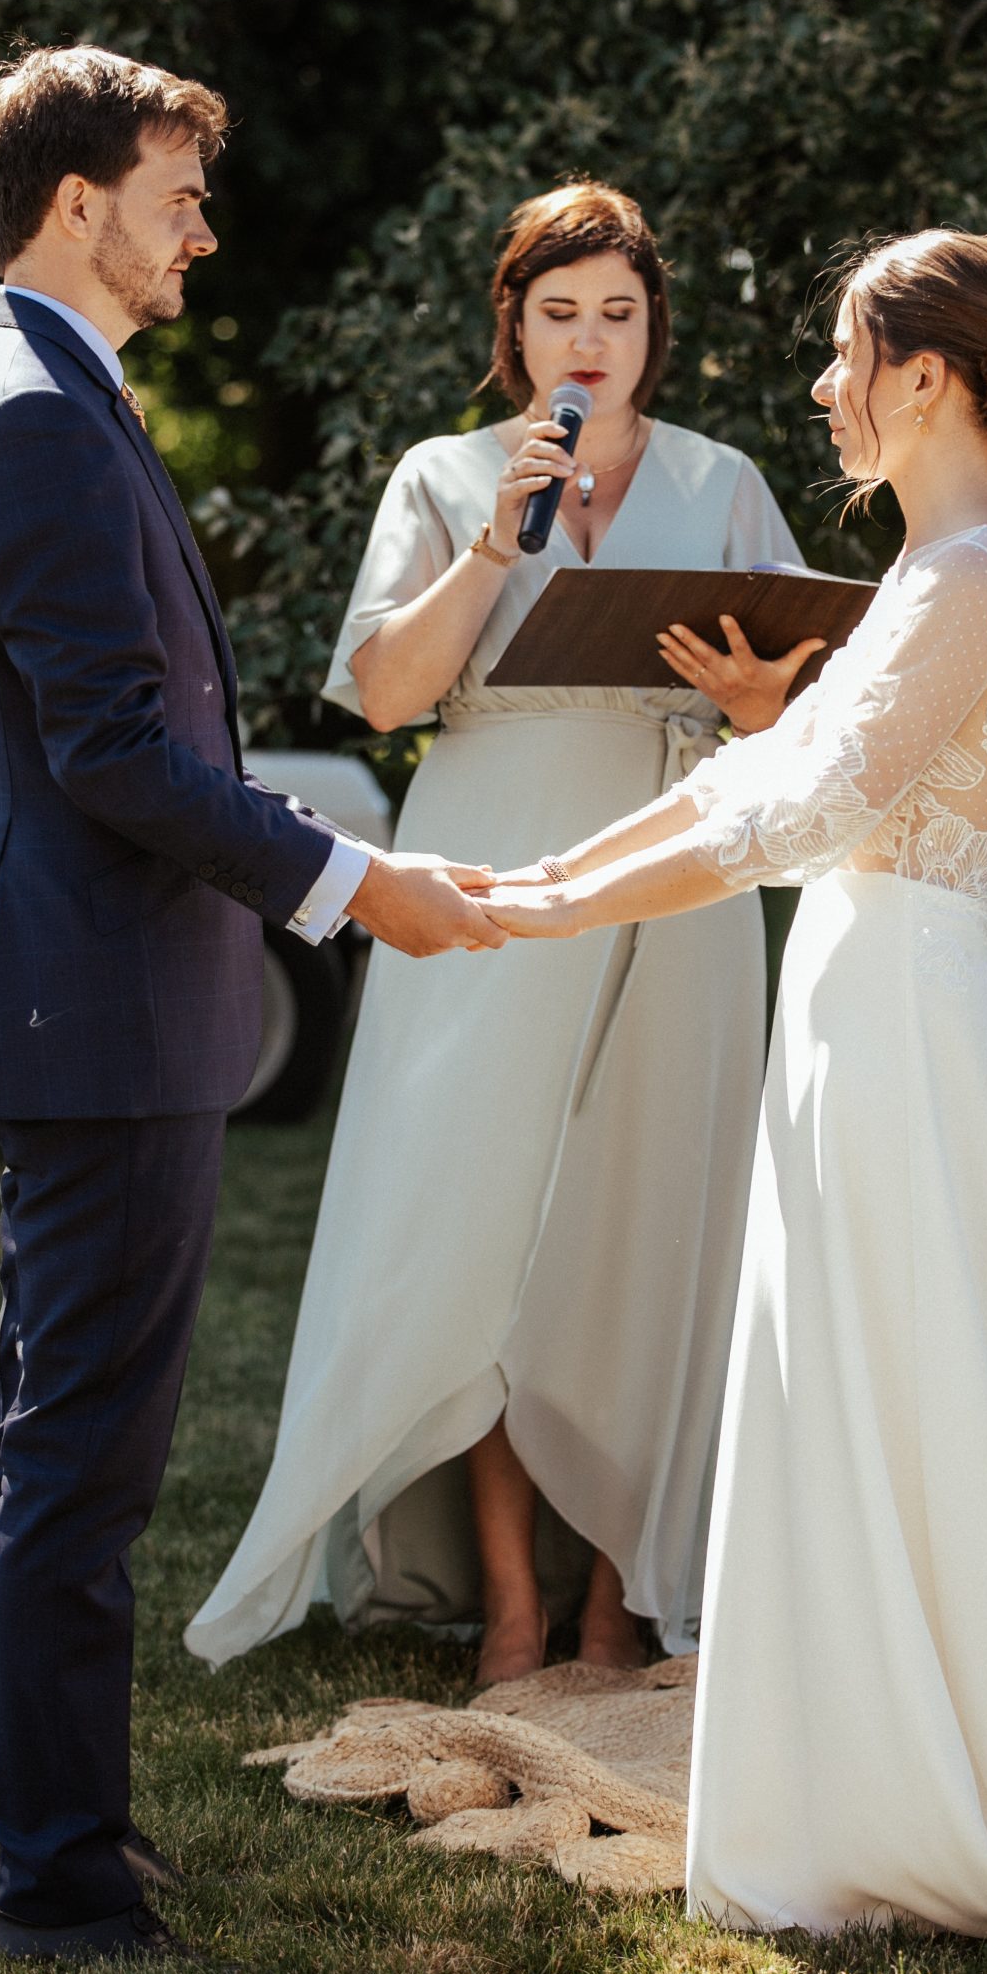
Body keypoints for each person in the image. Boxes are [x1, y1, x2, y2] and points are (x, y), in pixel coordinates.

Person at [478, 230, 987, 1948]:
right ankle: (856, 1771)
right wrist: (534, 882)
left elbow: (779, 822)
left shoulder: (974, 577)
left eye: (848, 358)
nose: (828, 388)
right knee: (849, 1381)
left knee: (881, 1385)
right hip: (870, 1006)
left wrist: (532, 904)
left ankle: (904, 1796)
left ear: (928, 378)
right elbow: (775, 778)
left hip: (895, 1025)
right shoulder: (951, 572)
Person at [0, 44, 504, 1964]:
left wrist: (299, 823)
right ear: (78, 207)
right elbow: (108, 756)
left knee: (81, 1451)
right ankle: (58, 1887)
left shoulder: (50, 395)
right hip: (99, 1004)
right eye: (178, 197)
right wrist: (355, 887)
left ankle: (76, 1836)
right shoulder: (37, 419)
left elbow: (137, 736)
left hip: (104, 991)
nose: (202, 233)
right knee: (78, 1462)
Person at [187, 182, 820, 1685]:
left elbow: (811, 697)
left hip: (676, 868)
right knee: (484, 1225)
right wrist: (491, 547)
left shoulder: (725, 478)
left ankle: (616, 1601)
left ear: (655, 327)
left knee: (653, 1220)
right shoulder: (443, 476)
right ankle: (512, 1610)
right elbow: (391, 697)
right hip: (482, 870)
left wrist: (759, 708)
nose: (591, 341)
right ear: (513, 330)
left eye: (619, 312)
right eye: (560, 315)